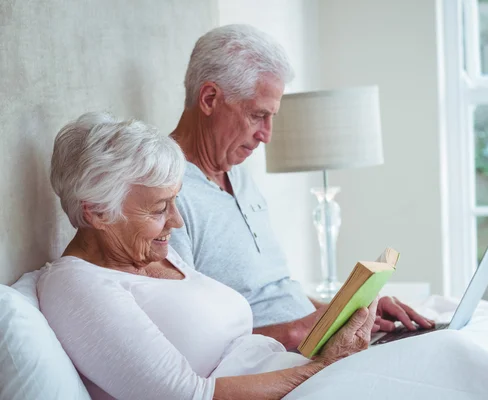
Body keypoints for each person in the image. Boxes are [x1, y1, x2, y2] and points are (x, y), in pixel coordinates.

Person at [37, 112, 377, 400]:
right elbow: (185, 394)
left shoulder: (151, 254)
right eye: (159, 209)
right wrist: (323, 370)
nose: (177, 220)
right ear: (96, 212)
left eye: (174, 201)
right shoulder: (75, 285)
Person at [169, 24, 435, 349]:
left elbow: (274, 291)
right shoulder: (165, 194)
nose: (267, 135)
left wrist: (346, 314)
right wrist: (297, 334)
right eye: (257, 115)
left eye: (272, 117)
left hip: (312, 345)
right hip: (275, 365)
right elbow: (184, 340)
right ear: (210, 98)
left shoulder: (238, 174)